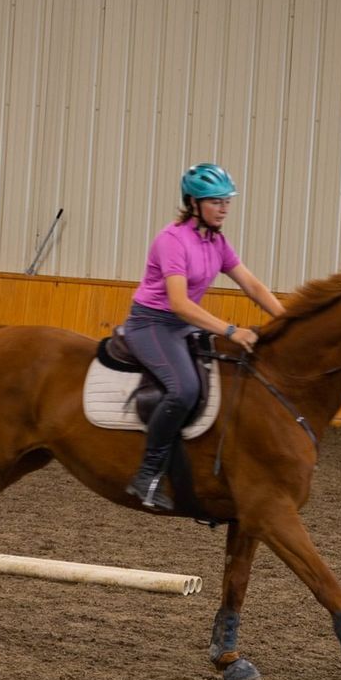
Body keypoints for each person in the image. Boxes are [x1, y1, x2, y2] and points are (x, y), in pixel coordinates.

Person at [123, 163, 286, 510]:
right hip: (152, 324)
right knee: (184, 389)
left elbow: (253, 286)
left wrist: (287, 320)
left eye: (227, 201)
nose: (224, 208)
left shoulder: (217, 241)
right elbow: (180, 304)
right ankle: (147, 475)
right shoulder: (172, 240)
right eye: (216, 201)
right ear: (193, 203)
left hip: (182, 326)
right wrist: (230, 329)